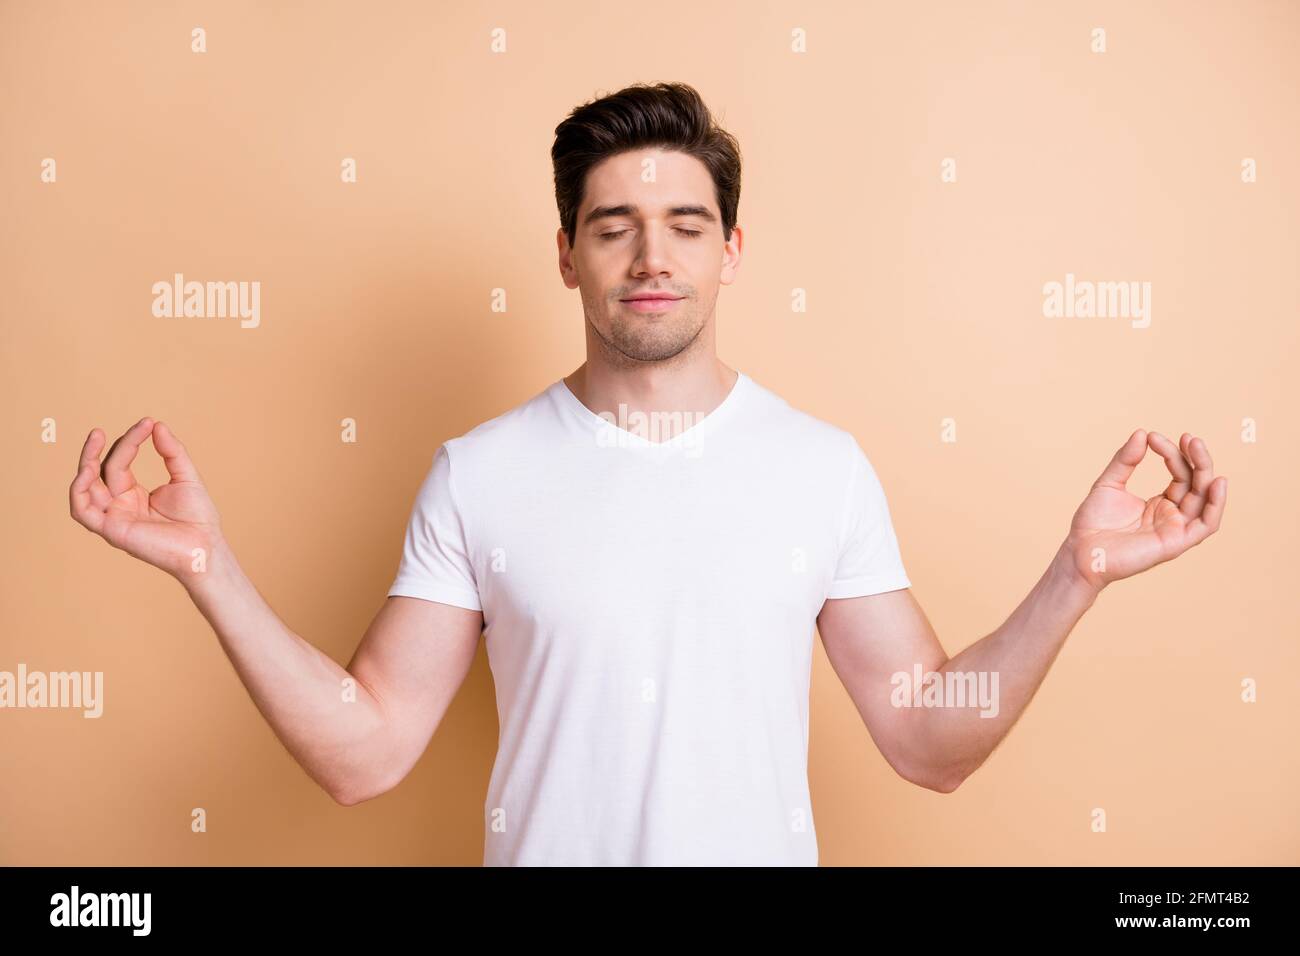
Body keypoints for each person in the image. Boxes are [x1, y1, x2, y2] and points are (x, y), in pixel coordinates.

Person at [67, 82, 1227, 866]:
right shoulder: (477, 473)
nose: (652, 253)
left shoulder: (820, 468)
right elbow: (363, 753)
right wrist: (210, 568)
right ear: (565, 253)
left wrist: (1074, 576)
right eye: (613, 224)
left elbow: (928, 741)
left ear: (730, 248)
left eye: (684, 220)